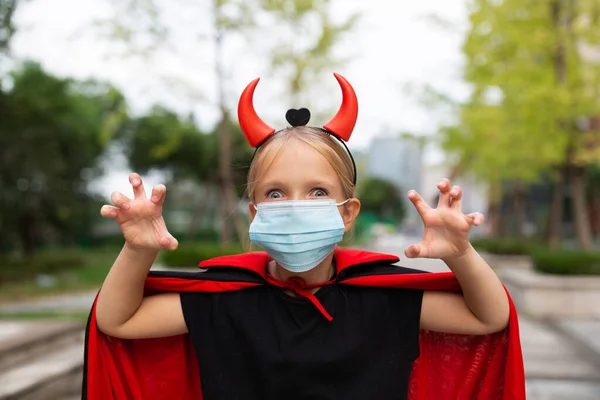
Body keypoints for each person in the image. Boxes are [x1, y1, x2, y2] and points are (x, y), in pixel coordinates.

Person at [85, 73, 525, 400]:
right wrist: (137, 250)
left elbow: (490, 319)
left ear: (348, 212)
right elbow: (117, 321)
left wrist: (461, 255)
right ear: (255, 212)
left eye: (318, 191)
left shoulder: (386, 299)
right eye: (275, 193)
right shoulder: (222, 301)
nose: (296, 205)